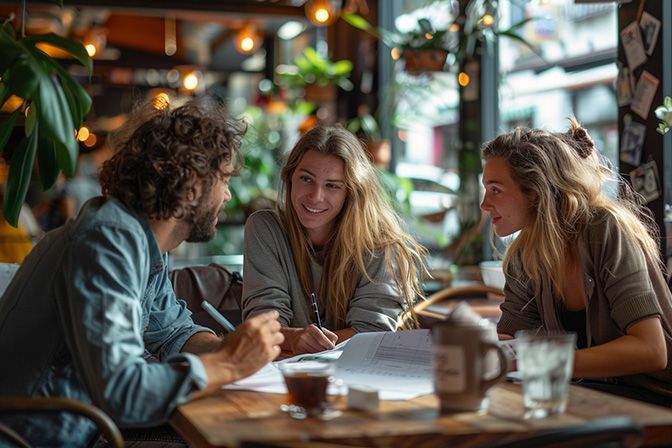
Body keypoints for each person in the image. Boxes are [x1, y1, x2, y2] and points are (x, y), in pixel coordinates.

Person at [0, 96, 284, 446]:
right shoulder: (107, 240)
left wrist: (242, 351)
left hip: (87, 430)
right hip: (31, 438)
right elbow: (123, 391)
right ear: (193, 183)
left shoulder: (141, 241)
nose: (227, 195)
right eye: (224, 179)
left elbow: (172, 333)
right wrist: (227, 364)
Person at [481, 118, 672, 405]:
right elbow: (511, 341)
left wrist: (537, 362)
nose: (484, 203)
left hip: (653, 402)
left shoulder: (605, 229)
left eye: (495, 189)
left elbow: (651, 350)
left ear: (535, 191)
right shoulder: (524, 254)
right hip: (588, 397)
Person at [242, 125, 428, 355]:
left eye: (332, 185)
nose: (316, 196)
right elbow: (264, 324)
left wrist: (298, 341)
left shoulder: (381, 242)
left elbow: (373, 332)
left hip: (361, 375)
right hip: (284, 376)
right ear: (290, 178)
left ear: (351, 191)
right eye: (306, 179)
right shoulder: (266, 228)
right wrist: (296, 339)